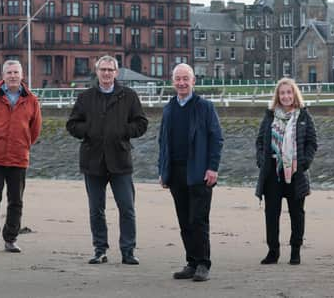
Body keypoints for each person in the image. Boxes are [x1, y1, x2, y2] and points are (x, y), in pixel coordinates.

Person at [66, 55, 148, 265]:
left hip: (120, 159)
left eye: (110, 70)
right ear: (97, 72)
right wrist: (90, 130)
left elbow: (141, 123)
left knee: (127, 208)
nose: (106, 73)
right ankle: (100, 249)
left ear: (116, 73)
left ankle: (128, 251)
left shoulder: (128, 96)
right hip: (93, 160)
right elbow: (72, 125)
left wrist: (123, 131)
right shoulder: (86, 97)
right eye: (103, 70)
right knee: (96, 209)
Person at [158, 63, 223, 282]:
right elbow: (163, 142)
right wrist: (162, 171)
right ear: (172, 81)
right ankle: (191, 262)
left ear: (193, 81)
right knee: (184, 220)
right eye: (178, 79)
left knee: (198, 219)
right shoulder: (169, 108)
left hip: (199, 172)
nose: (182, 83)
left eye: (186, 78)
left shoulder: (205, 107)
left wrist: (213, 167)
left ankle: (203, 263)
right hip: (175, 172)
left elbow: (217, 138)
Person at [0, 60, 42, 254]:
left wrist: (22, 144)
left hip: (18, 157)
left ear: (22, 75)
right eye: (9, 73)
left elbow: (35, 129)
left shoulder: (31, 100)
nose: (13, 76)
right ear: (3, 76)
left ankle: (11, 239)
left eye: (16, 72)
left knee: (16, 200)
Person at [255, 78, 317, 265]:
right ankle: (273, 251)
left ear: (294, 94)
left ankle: (295, 251)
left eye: (289, 92)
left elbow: (312, 143)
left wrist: (304, 163)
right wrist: (262, 161)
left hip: (296, 173)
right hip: (272, 172)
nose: (286, 96)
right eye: (282, 93)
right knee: (271, 213)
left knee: (297, 213)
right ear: (278, 96)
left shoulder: (304, 117)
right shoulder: (270, 116)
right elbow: (259, 142)